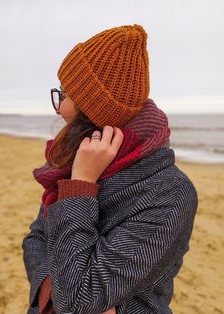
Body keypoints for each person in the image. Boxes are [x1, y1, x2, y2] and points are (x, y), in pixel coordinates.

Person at [22, 24, 198, 314]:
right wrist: (49, 294)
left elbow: (78, 300)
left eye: (64, 93)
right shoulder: (76, 157)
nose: (57, 106)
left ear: (93, 108)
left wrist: (80, 186)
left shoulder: (169, 193)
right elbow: (37, 238)